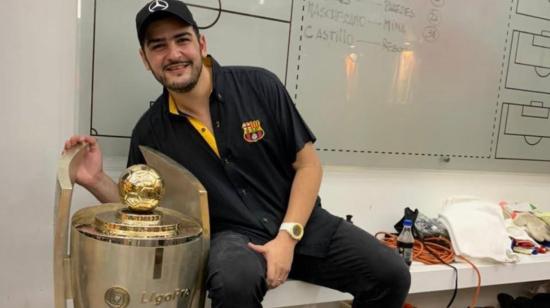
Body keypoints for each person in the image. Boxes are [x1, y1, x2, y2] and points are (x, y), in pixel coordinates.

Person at [64, 0, 411, 307]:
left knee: (392, 274)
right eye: (158, 46)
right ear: (145, 59)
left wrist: (287, 238)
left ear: (200, 43)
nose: (173, 54)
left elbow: (309, 166)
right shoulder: (149, 133)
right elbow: (144, 212)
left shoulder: (260, 86)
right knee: (233, 283)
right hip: (232, 241)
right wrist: (94, 180)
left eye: (182, 39)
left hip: (300, 222)